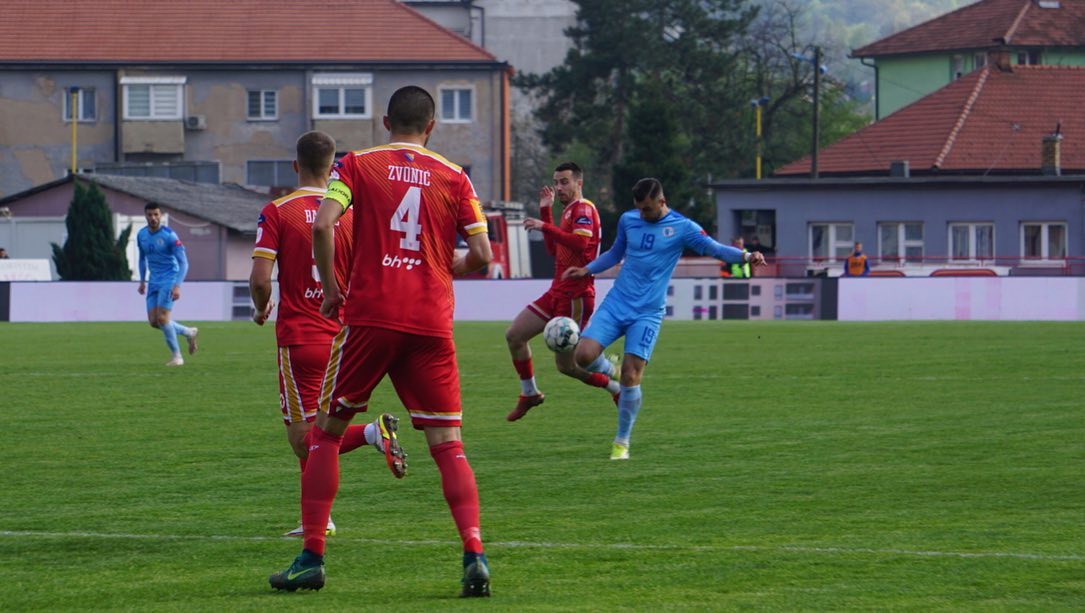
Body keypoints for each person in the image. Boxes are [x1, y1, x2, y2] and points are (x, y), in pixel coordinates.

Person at [269, 86, 494, 597]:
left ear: (385, 119)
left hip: (371, 317)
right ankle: (474, 553)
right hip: (432, 322)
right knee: (449, 446)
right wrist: (453, 265)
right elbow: (481, 251)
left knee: (323, 434)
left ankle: (311, 559)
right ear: (432, 126)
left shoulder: (358, 165)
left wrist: (330, 290)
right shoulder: (455, 176)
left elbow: (325, 223)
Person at [250, 130, 400, 538]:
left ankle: (372, 433)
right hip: (346, 337)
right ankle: (317, 519)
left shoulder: (278, 210)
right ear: (334, 167)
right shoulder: (351, 212)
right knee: (320, 426)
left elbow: (261, 278)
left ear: (295, 166)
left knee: (305, 438)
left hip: (301, 337)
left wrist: (260, 304)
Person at [564, 178, 765, 460]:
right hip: (617, 303)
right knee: (582, 356)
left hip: (647, 313)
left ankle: (621, 442)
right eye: (639, 209)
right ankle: (611, 369)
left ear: (662, 201)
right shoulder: (628, 220)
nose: (642, 215)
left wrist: (746, 255)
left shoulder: (683, 228)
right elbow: (615, 253)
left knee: (633, 377)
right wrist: (587, 269)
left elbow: (716, 249)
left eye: (647, 209)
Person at [504, 162, 620, 422]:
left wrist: (545, 226)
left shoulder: (583, 209)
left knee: (567, 367)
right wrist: (546, 212)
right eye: (556, 182)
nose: (559, 187)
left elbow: (580, 243)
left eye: (564, 182)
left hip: (575, 296)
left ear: (579, 183)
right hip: (557, 290)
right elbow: (551, 249)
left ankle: (615, 387)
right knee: (514, 335)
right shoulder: (568, 211)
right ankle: (530, 393)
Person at [137, 202, 198, 366]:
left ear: (161, 216)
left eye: (156, 214)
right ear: (146, 216)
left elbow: (184, 263)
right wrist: (142, 281)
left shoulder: (170, 236)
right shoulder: (141, 235)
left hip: (169, 279)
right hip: (153, 281)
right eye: (150, 215)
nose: (153, 218)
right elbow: (142, 259)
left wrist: (177, 285)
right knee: (154, 322)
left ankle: (177, 357)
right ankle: (188, 332)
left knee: (163, 319)